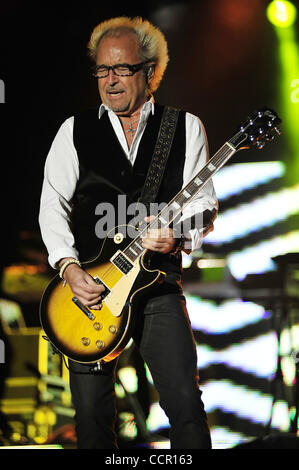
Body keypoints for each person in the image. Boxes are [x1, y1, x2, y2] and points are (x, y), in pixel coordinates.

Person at [39, 16, 218, 449]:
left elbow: (203, 206)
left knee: (185, 408)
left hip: (156, 287)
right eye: (102, 70)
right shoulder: (74, 131)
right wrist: (67, 268)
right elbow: (51, 206)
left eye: (122, 69)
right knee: (92, 421)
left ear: (150, 71)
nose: (110, 80)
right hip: (90, 293)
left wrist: (175, 237)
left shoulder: (184, 127)